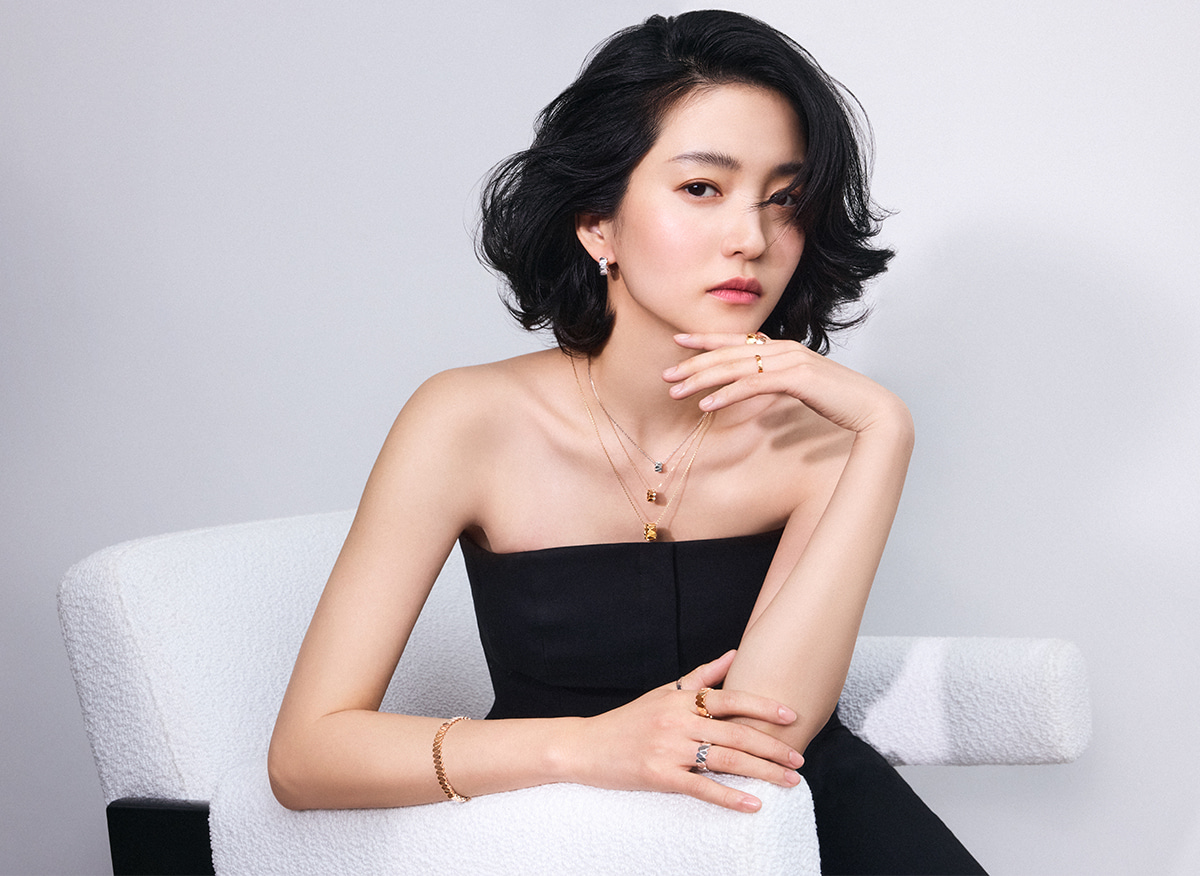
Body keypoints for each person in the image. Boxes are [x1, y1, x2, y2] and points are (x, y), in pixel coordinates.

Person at [269, 10, 986, 874]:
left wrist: (885, 432)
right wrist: (584, 745)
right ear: (597, 224)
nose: (752, 239)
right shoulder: (464, 421)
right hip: (562, 835)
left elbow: (761, 734)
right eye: (702, 188)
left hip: (793, 827)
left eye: (785, 199)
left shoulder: (825, 439)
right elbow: (306, 756)